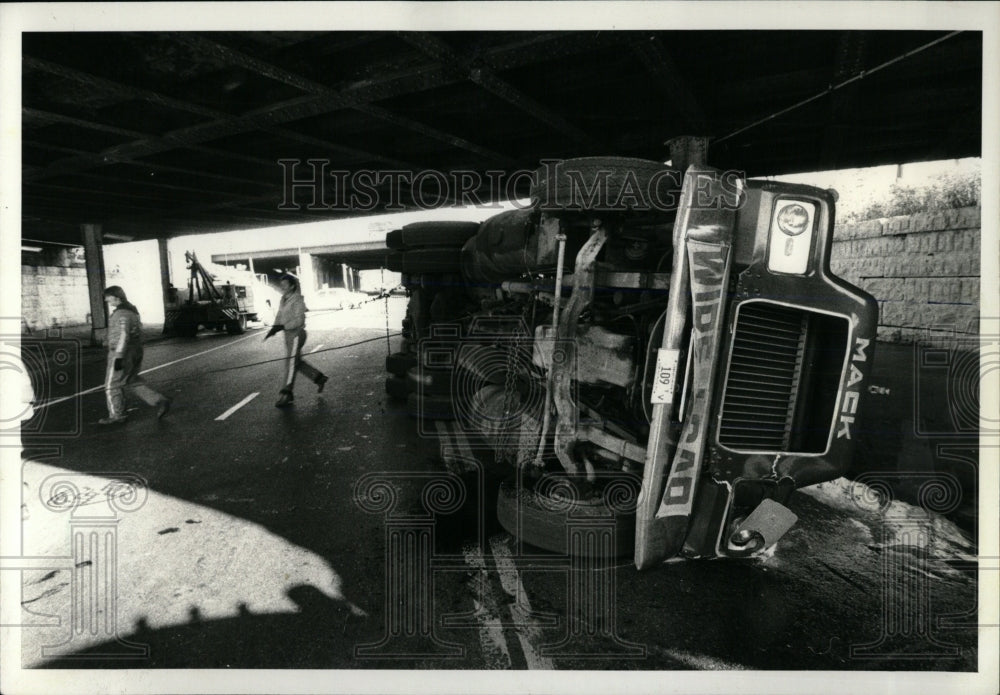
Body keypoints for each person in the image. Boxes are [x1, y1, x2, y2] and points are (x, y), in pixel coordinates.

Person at [100, 286, 171, 425]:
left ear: (116, 296)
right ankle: (159, 400)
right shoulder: (132, 312)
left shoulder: (121, 314)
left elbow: (123, 336)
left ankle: (116, 415)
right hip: (135, 350)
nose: (106, 300)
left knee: (111, 384)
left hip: (122, 353)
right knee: (131, 380)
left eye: (108, 297)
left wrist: (119, 356)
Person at [264, 274, 328, 407]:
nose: (282, 288)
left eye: (285, 285)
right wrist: (274, 328)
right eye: (281, 285)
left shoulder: (298, 300)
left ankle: (286, 394)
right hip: (288, 336)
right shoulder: (283, 299)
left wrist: (283, 326)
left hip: (297, 334)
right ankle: (319, 378)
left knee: (291, 364)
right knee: (296, 362)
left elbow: (300, 320)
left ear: (292, 286)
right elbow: (280, 315)